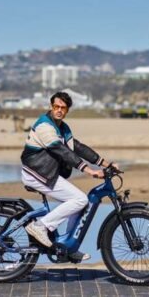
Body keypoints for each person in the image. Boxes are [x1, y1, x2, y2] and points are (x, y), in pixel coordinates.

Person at [21, 91, 118, 261]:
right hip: (36, 173)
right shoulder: (45, 126)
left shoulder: (63, 127)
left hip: (47, 173)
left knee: (80, 203)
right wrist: (89, 170)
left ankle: (69, 245)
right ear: (51, 107)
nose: (59, 110)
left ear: (67, 110)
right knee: (80, 200)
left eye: (63, 108)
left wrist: (105, 164)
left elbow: (77, 147)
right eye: (56, 106)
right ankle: (40, 226)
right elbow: (61, 150)